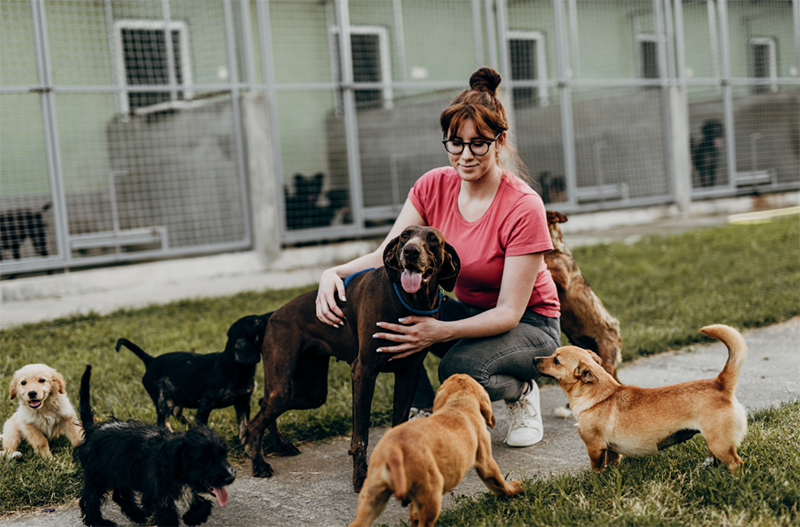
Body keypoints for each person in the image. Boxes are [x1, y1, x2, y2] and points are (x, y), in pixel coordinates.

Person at [315, 67, 560, 447]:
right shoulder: (433, 185)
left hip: (530, 324)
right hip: (473, 313)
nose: (465, 155)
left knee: (460, 367)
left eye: (479, 143)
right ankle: (424, 411)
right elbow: (388, 254)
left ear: (500, 141)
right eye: (455, 143)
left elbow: (510, 312)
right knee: (390, 315)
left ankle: (521, 391)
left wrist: (439, 331)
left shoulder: (523, 205)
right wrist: (335, 273)